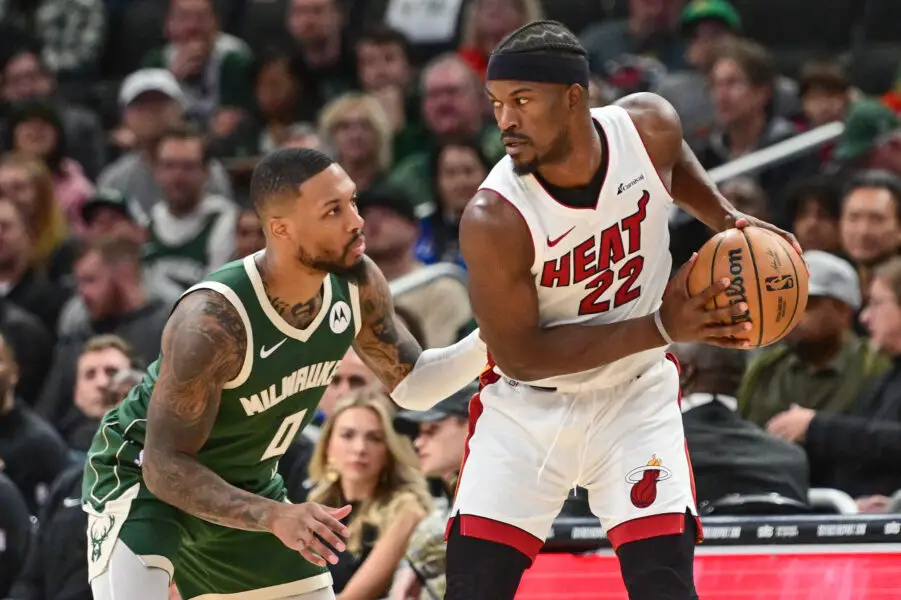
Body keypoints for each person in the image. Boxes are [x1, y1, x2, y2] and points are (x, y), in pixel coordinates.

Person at [443, 20, 800, 600]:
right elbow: (521, 355)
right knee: (473, 589)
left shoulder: (648, 125)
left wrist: (726, 218)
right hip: (530, 413)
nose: (505, 120)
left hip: (634, 400)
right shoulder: (495, 217)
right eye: (497, 103)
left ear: (574, 100)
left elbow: (674, 158)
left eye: (523, 101)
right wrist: (660, 326)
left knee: (664, 587)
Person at [82, 147, 488, 600]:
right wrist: (273, 516)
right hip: (145, 484)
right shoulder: (214, 320)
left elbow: (413, 386)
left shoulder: (355, 281)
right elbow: (164, 465)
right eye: (333, 210)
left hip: (245, 487)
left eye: (352, 201)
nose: (356, 221)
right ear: (281, 229)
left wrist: (495, 337)